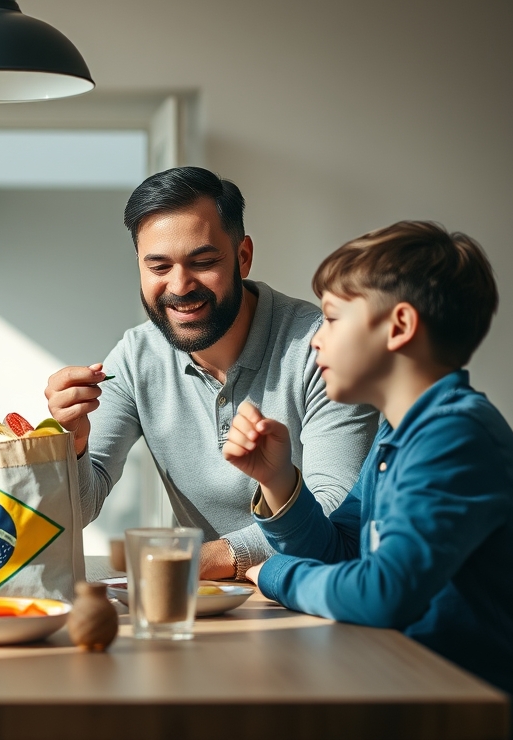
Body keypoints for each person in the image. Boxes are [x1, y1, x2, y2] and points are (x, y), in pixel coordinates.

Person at [226, 221, 513, 740]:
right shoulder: (400, 431)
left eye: (330, 319)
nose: (316, 341)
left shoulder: (454, 436)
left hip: (492, 713)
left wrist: (276, 572)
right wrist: (279, 481)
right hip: (426, 685)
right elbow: (343, 552)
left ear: (399, 327)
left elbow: (384, 593)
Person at [45, 166, 377, 579]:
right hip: (204, 605)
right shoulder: (134, 356)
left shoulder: (322, 350)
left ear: (243, 257)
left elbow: (337, 511)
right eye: (159, 267)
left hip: (313, 597)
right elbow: (77, 512)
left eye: (202, 261)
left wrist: (209, 558)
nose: (180, 286)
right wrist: (74, 444)